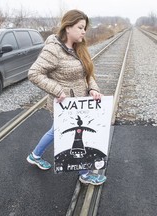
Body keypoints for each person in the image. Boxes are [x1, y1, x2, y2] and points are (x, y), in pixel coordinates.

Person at [26, 9, 107, 186]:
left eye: (85, 28)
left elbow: (88, 73)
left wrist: (93, 88)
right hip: (65, 104)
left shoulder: (79, 47)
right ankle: (84, 174)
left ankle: (35, 155)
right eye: (80, 27)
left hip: (81, 102)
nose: (84, 32)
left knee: (55, 131)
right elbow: (34, 73)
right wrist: (57, 90)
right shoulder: (53, 49)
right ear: (68, 27)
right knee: (77, 139)